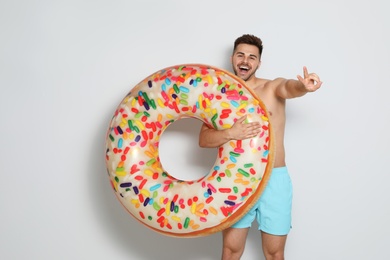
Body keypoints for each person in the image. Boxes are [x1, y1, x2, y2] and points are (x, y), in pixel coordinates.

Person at [198, 34, 322, 260]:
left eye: (252, 57)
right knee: (231, 251)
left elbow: (289, 87)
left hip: (274, 179)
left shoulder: (271, 88)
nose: (245, 61)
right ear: (232, 58)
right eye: (241, 55)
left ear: (259, 63)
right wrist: (230, 133)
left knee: (274, 253)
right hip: (235, 179)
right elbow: (203, 140)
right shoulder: (218, 96)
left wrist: (303, 87)